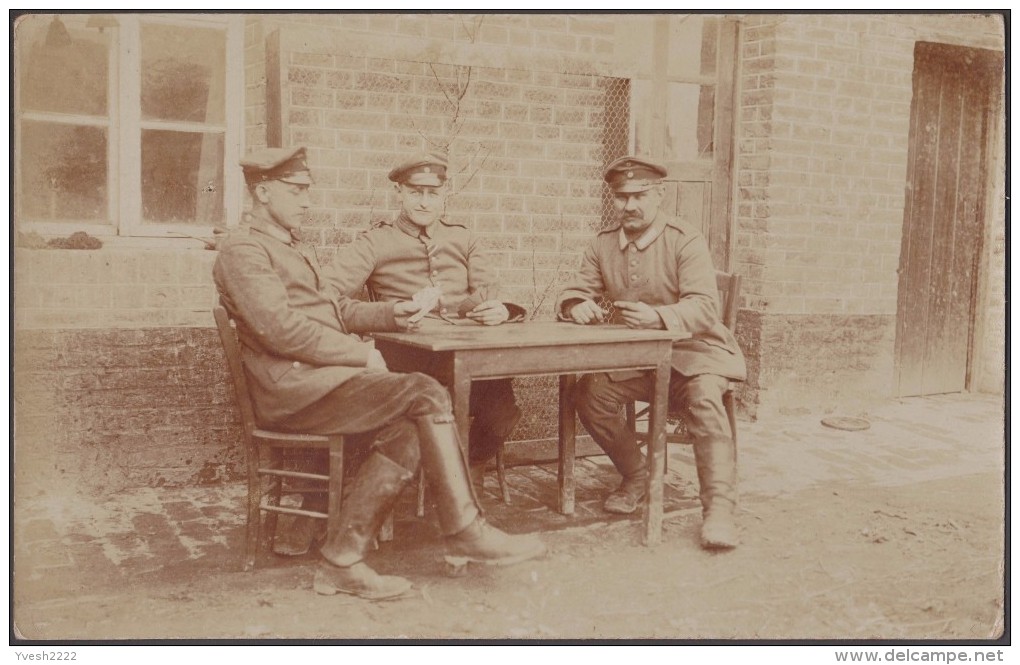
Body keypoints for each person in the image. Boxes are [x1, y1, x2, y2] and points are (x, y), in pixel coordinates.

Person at [213, 146, 545, 600]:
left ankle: (341, 560)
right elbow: (280, 330)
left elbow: (335, 309)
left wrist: (393, 312)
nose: (307, 201)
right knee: (425, 392)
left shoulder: (286, 247)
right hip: (294, 388)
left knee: (411, 425)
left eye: (307, 190)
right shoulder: (243, 251)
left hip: (316, 380)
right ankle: (465, 527)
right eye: (297, 191)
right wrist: (359, 355)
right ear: (263, 192)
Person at [555, 155, 746, 550]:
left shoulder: (684, 239)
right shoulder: (603, 244)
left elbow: (706, 308)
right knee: (591, 395)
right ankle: (638, 474)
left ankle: (719, 510)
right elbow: (576, 288)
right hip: (640, 360)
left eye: (640, 195)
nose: (630, 206)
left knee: (704, 398)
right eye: (621, 197)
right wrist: (576, 304)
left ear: (659, 194)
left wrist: (659, 317)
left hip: (695, 352)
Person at [329, 152, 524, 489]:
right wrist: (383, 316)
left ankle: (467, 469)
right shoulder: (376, 242)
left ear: (444, 195)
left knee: (502, 412)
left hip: (467, 358)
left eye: (432, 193)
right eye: (415, 192)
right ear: (400, 194)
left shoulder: (463, 238)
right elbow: (327, 294)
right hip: (410, 362)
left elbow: (489, 290)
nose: (423, 202)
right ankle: (447, 485)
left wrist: (501, 309)